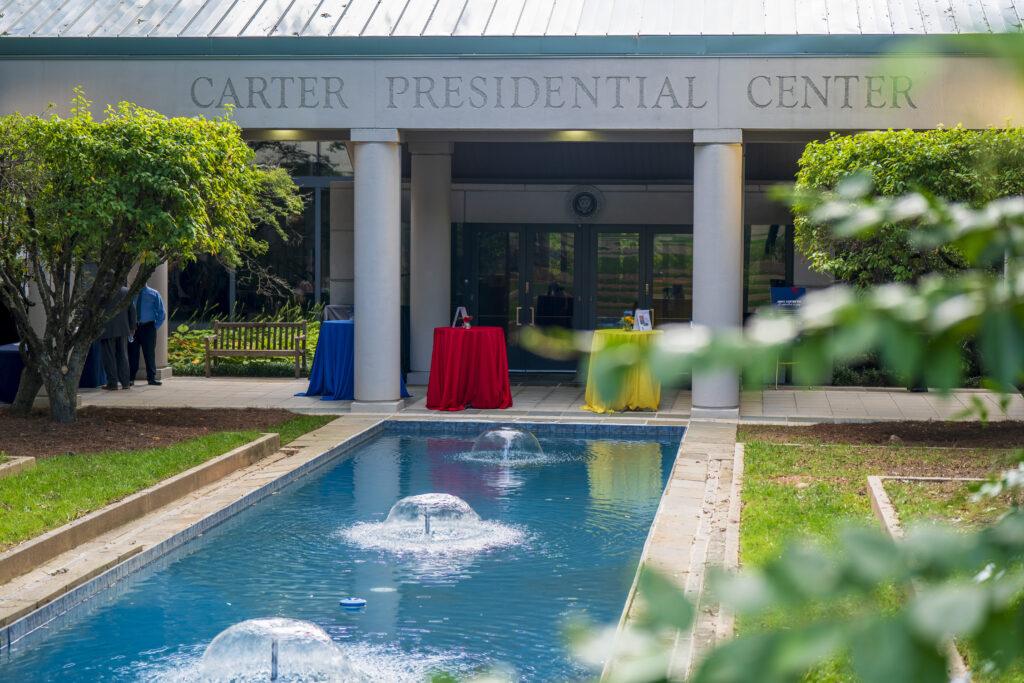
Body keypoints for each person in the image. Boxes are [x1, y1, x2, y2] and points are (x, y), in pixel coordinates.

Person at [100, 285, 137, 391]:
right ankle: (125, 383)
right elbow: (132, 309)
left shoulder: (102, 290)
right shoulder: (125, 291)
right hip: (123, 328)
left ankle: (112, 383)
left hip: (107, 329)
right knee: (123, 356)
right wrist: (132, 326)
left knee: (109, 357)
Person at [130, 283, 166, 386]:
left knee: (149, 354)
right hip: (134, 327)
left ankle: (151, 378)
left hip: (148, 327)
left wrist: (155, 327)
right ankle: (130, 378)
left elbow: (161, 312)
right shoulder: (132, 293)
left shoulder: (154, 294)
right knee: (132, 354)